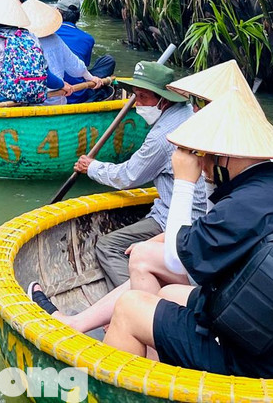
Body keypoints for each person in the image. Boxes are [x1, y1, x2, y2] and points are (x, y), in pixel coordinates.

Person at [103, 85, 273, 378]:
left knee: (128, 308)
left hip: (259, 359)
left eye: (201, 151)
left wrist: (185, 181)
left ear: (223, 154)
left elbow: (175, 259)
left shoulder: (244, 205)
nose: (199, 159)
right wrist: (212, 179)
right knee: (169, 292)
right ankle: (160, 361)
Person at [78, 62, 199, 286]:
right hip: (185, 210)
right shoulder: (189, 111)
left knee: (108, 246)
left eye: (143, 97)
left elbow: (127, 177)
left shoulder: (162, 137)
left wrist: (91, 167)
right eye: (136, 96)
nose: (138, 104)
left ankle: (134, 296)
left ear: (163, 100)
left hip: (178, 217)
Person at [22, 0, 106, 103]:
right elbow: (76, 67)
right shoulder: (54, 38)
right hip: (55, 99)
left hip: (30, 100)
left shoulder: (20, 42)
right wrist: (91, 78)